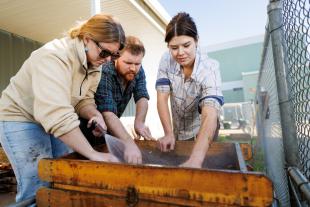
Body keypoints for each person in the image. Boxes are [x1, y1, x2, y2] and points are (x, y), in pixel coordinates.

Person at [0, 13, 125, 203]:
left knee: (64, 177)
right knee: (38, 187)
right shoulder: (53, 56)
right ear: (87, 39)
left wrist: (93, 113)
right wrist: (93, 154)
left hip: (50, 118)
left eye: (114, 55)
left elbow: (84, 99)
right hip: (20, 117)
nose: (108, 60)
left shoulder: (95, 62)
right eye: (105, 53)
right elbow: (57, 115)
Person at [155, 12, 224, 168]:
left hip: (204, 127)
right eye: (174, 47)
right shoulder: (166, 59)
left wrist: (197, 159)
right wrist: (168, 133)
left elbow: (210, 112)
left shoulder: (209, 68)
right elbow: (162, 98)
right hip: (179, 128)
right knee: (180, 162)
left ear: (196, 41)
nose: (180, 53)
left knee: (203, 165)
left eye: (186, 45)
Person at [94, 36, 153, 164]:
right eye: (128, 63)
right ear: (116, 57)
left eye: (137, 64)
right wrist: (129, 143)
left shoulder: (138, 70)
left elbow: (142, 96)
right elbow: (108, 113)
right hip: (89, 128)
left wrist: (139, 122)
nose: (133, 68)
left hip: (110, 131)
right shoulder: (105, 70)